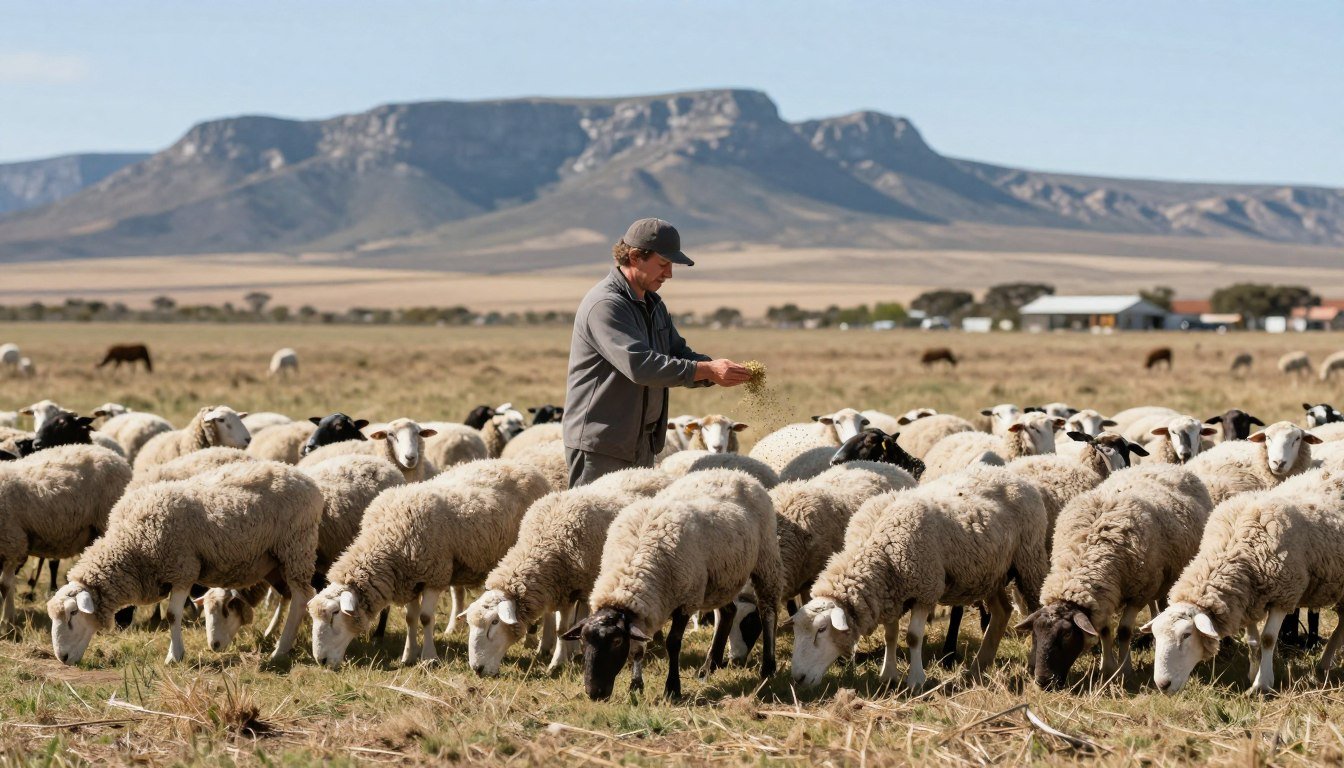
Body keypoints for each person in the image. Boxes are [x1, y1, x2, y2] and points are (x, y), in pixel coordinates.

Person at [563, 218, 752, 488]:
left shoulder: (653, 304)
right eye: (663, 264)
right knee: (596, 527)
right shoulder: (606, 305)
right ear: (636, 257)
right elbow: (641, 366)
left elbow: (678, 352)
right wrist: (708, 371)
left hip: (640, 443)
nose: (669, 274)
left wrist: (716, 371)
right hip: (602, 446)